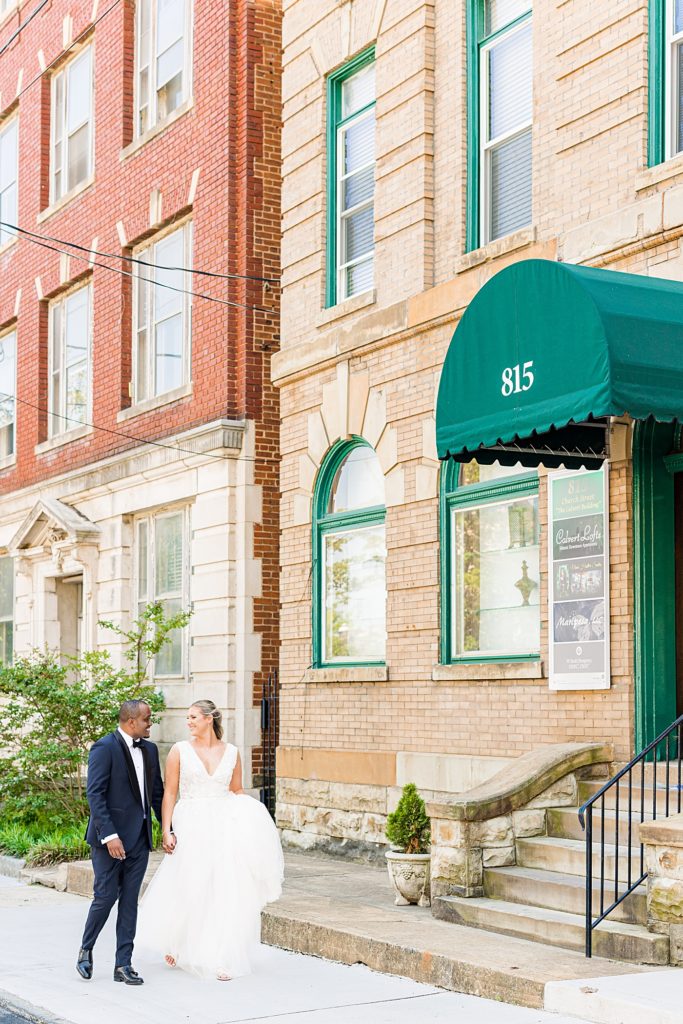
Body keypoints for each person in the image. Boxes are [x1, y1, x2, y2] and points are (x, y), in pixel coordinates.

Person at [136, 699, 284, 981]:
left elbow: (237, 790)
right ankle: (179, 942)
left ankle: (220, 956)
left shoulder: (232, 752)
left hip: (224, 825)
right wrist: (166, 829)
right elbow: (169, 793)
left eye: (193, 717)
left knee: (222, 888)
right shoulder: (179, 751)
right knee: (190, 883)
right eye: (188, 717)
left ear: (208, 719)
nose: (188, 722)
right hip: (190, 823)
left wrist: (253, 821)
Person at [76, 699, 164, 986]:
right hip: (108, 841)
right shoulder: (104, 747)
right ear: (130, 721)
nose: (151, 723)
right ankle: (86, 948)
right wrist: (110, 835)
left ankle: (123, 965)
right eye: (147, 719)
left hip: (139, 839)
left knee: (129, 902)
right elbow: (95, 795)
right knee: (105, 898)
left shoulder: (150, 750)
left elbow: (157, 795)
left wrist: (170, 829)